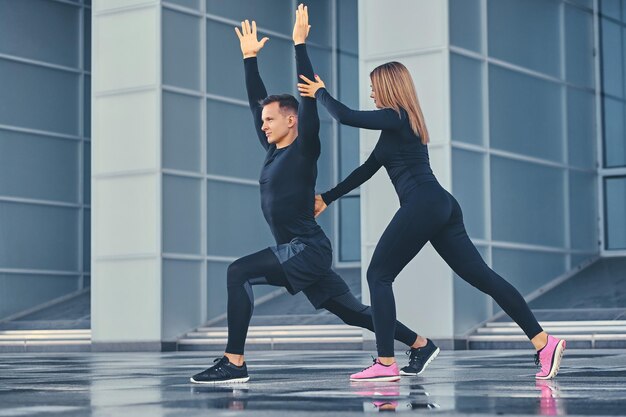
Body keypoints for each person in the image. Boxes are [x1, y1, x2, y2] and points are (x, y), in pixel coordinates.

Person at [190, 5, 431, 385]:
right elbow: (257, 103)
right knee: (351, 312)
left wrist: (300, 44)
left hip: (306, 248)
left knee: (238, 272)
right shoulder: (272, 151)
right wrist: (249, 59)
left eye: (271, 120)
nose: (264, 125)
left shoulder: (304, 149)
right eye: (263, 121)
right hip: (301, 251)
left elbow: (307, 96)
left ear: (292, 120)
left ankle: (233, 362)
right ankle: (420, 344)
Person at [297, 62, 566, 382]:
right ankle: (543, 343)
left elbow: (345, 116)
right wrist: (328, 197)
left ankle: (386, 363)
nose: (370, 92)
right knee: (483, 277)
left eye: (373, 85)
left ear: (388, 86)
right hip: (440, 206)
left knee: (378, 275)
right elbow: (366, 171)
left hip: (423, 205)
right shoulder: (396, 127)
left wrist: (320, 93)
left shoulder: (397, 116)